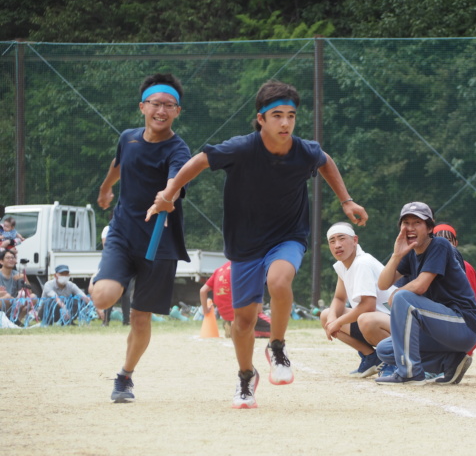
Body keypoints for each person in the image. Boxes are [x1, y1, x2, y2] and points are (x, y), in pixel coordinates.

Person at [149, 80, 367, 409]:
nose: (285, 123)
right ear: (261, 119)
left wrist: (347, 201)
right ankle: (245, 377)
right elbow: (199, 160)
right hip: (246, 243)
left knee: (279, 280)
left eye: (291, 116)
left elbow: (324, 160)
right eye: (276, 115)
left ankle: (277, 347)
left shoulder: (303, 151)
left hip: (287, 236)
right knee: (243, 322)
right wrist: (168, 195)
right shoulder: (240, 149)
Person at [91, 73, 192, 403]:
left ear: (178, 111)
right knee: (103, 297)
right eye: (155, 104)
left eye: (168, 105)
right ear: (142, 107)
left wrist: (167, 196)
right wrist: (107, 187)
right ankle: (108, 274)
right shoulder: (128, 137)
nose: (161, 110)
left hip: (158, 244)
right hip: (122, 231)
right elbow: (119, 163)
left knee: (140, 315)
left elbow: (176, 178)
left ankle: (125, 377)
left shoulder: (178, 148)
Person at [373, 202, 476, 385]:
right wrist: (396, 255)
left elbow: (420, 286)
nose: (410, 228)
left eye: (417, 223)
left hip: (462, 324)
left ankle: (410, 373)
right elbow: (383, 284)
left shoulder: (440, 245)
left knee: (402, 297)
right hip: (439, 328)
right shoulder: (409, 253)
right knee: (385, 350)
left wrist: (397, 294)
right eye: (406, 223)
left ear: (430, 227)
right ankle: (450, 361)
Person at [321, 222, 394, 378]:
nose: (337, 245)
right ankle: (371, 358)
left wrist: (338, 323)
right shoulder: (342, 265)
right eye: (332, 241)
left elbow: (368, 305)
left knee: (367, 319)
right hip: (376, 321)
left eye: (342, 238)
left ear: (355, 240)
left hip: (399, 325)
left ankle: (394, 361)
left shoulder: (362, 262)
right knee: (326, 315)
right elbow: (339, 298)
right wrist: (332, 318)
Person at [433, 222, 476, 350]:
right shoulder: (430, 267)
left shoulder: (464, 267)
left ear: (455, 244)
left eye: (448, 242)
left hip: (467, 323)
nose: (445, 246)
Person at [99, 212, 131, 326]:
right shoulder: (107, 230)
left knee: (126, 295)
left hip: (126, 264)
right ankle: (106, 321)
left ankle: (126, 321)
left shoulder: (127, 229)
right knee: (110, 292)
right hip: (113, 264)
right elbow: (106, 246)